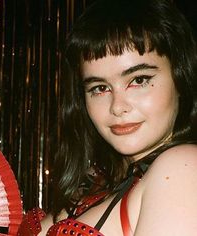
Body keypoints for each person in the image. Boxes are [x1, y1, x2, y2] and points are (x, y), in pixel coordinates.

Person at [18, 0, 197, 235]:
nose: (117, 107)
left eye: (139, 80)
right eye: (100, 88)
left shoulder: (182, 167)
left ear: (180, 78)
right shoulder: (97, 179)